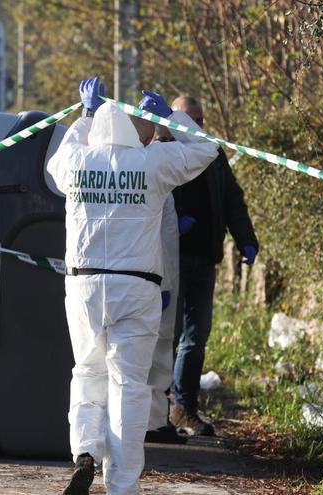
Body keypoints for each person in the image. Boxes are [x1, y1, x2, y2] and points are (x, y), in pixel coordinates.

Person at [48, 78, 218, 495]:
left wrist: (85, 115)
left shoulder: (78, 163)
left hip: (84, 286)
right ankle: (122, 484)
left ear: (96, 131)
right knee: (129, 387)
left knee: (87, 371)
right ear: (133, 132)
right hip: (136, 288)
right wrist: (170, 118)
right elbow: (206, 149)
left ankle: (84, 450)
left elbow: (55, 162)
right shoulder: (152, 163)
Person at [170, 96, 259, 437]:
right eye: (190, 120)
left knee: (195, 337)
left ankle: (184, 408)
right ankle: (155, 412)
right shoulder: (163, 149)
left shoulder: (213, 153)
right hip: (170, 258)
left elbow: (232, 198)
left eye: (202, 120)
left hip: (204, 258)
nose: (198, 127)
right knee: (166, 337)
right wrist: (172, 220)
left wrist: (245, 238)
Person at [145, 126, 184, 445]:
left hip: (157, 276)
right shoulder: (149, 177)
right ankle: (151, 422)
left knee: (159, 348)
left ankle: (155, 420)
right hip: (152, 279)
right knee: (152, 350)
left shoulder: (157, 178)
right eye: (162, 139)